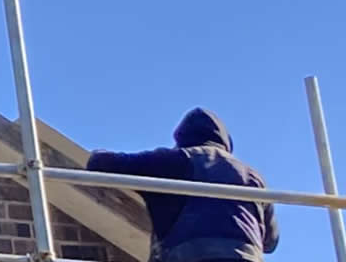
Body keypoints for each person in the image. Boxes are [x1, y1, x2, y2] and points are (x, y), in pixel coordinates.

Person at [85, 107, 278, 262]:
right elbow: (270, 242)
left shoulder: (175, 161)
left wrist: (98, 153)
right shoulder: (253, 177)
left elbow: (101, 163)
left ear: (182, 139)